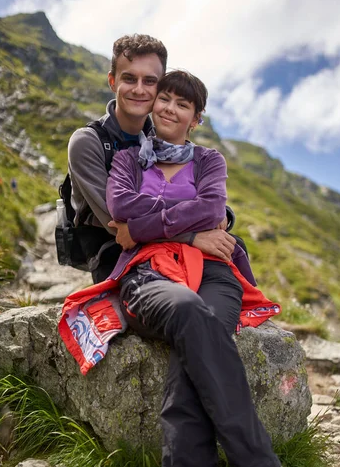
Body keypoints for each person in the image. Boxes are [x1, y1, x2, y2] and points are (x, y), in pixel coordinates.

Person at [105, 71, 296, 467]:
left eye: (181, 103)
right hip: (148, 273)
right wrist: (188, 228)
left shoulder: (210, 161)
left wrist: (150, 220)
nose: (167, 107)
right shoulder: (126, 160)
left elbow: (214, 210)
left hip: (216, 271)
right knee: (190, 314)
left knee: (186, 385)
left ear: (197, 117)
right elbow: (122, 213)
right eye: (162, 98)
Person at [68, 33, 239, 283]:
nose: (139, 89)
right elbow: (120, 226)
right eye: (129, 78)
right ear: (112, 81)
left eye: (149, 81)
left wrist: (220, 211)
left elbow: (192, 190)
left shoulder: (163, 135)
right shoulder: (88, 142)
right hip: (114, 254)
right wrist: (194, 234)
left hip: (171, 251)